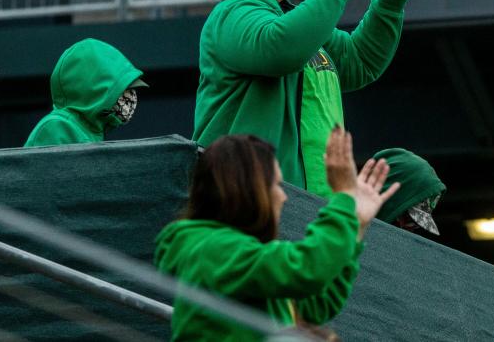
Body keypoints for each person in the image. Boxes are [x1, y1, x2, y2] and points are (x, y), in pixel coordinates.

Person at [192, 0, 444, 231]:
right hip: (244, 205)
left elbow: (358, 61)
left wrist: (390, 0)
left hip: (305, 209)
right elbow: (279, 47)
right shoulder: (232, 15)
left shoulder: (294, 22)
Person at [155, 127, 400, 341]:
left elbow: (317, 305)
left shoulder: (241, 257)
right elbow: (308, 268)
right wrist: (343, 198)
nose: (283, 197)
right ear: (248, 190)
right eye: (276, 185)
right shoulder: (206, 249)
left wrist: (356, 226)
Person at [24, 38, 147, 147]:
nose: (131, 98)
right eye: (123, 91)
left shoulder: (91, 131)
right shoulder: (58, 127)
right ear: (96, 89)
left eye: (131, 91)